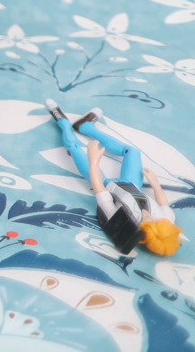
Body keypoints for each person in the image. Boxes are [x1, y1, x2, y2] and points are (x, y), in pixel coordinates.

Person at [46, 101, 184, 257]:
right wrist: (156, 185)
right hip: (133, 184)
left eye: (149, 221)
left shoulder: (122, 220)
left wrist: (93, 162)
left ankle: (62, 122)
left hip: (106, 184)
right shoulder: (166, 221)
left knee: (74, 148)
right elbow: (164, 205)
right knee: (131, 151)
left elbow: (101, 191)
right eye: (155, 220)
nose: (151, 217)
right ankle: (86, 126)